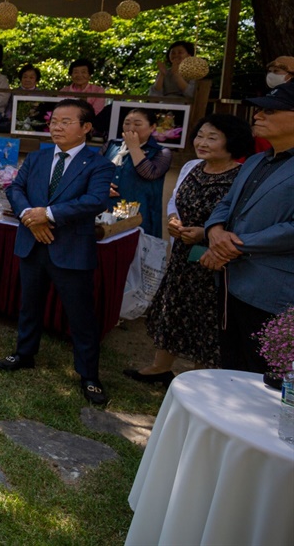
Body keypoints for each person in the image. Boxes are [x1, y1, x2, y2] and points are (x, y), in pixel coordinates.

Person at [0, 98, 116, 406]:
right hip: (32, 242)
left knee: (80, 315)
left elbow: (95, 201)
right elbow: (15, 189)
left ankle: (89, 374)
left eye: (66, 122)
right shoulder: (38, 158)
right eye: (54, 122)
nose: (57, 127)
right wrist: (30, 217)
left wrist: (47, 215)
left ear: (86, 127)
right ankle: (24, 354)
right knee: (29, 304)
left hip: (71, 248)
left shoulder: (99, 164)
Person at [124, 114, 253, 383]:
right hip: (183, 252)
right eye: (200, 135)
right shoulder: (193, 166)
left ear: (232, 142)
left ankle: (199, 378)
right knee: (173, 307)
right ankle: (160, 367)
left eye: (212, 137)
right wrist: (174, 221)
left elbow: (240, 220)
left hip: (213, 257)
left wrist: (203, 234)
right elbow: (174, 200)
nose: (202, 142)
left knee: (206, 317)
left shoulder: (242, 176)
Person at [201, 80, 294, 375]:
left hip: (272, 289)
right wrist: (215, 231)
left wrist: (233, 245)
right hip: (231, 282)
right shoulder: (256, 161)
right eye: (259, 110)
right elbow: (226, 204)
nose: (258, 116)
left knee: (265, 375)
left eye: (270, 111)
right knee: (231, 366)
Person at [102, 107, 172, 237]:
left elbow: (149, 173)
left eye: (137, 124)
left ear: (152, 127)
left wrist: (133, 147)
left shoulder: (161, 152)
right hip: (105, 211)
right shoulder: (112, 145)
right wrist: (102, 186)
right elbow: (93, 172)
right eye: (127, 123)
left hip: (140, 214)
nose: (131, 128)